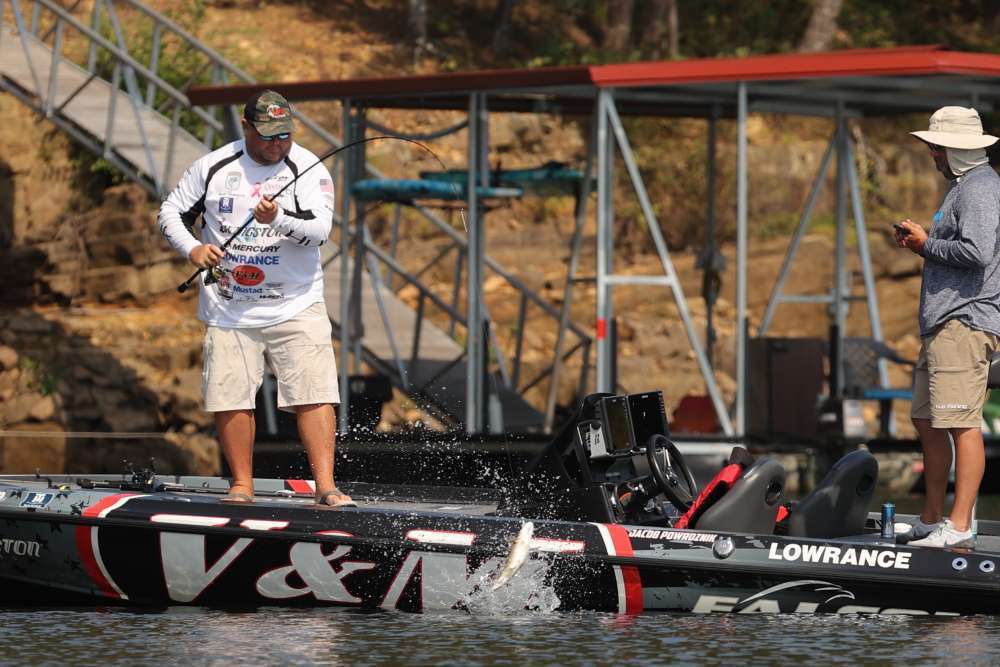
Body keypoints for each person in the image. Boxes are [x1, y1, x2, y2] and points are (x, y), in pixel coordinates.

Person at [158, 90, 354, 507]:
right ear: (246, 127)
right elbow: (170, 212)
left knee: (314, 392)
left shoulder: (310, 168)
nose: (276, 144)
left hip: (296, 302)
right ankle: (241, 486)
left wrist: (277, 218)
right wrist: (193, 249)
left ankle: (326, 487)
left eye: (284, 135)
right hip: (229, 306)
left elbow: (320, 232)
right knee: (230, 396)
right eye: (267, 136)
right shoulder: (212, 167)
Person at [895, 106, 1000, 547]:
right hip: (942, 326)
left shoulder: (979, 189)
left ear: (956, 150)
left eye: (937, 148)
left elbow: (977, 253)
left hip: (965, 321)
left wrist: (925, 244)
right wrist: (926, 243)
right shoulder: (964, 188)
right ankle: (932, 517)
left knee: (962, 424)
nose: (933, 155)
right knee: (928, 422)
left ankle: (958, 527)